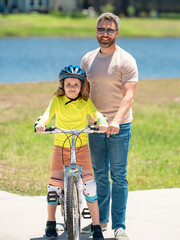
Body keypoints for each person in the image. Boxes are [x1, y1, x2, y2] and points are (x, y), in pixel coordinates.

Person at [81, 13, 138, 240]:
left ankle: (119, 226)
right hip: (95, 127)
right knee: (100, 175)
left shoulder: (126, 60)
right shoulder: (87, 59)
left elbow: (129, 96)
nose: (105, 34)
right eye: (102, 30)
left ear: (117, 33)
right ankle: (101, 221)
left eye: (110, 30)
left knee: (119, 175)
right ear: (97, 31)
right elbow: (83, 94)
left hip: (119, 126)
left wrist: (115, 121)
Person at [35, 65, 108, 240]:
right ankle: (51, 222)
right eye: (69, 84)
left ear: (81, 86)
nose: (72, 88)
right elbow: (47, 114)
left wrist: (102, 120)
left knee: (90, 187)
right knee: (54, 187)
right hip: (60, 147)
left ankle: (96, 226)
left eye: (76, 84)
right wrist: (41, 123)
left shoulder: (85, 103)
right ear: (62, 85)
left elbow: (96, 113)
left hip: (82, 147)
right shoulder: (57, 101)